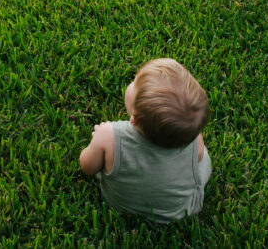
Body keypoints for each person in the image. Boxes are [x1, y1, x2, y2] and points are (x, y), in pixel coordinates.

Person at [79, 58, 212, 223]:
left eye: (134, 82)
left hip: (120, 205)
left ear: (134, 117)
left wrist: (98, 137)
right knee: (202, 157)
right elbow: (198, 156)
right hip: (178, 211)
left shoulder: (110, 135)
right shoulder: (193, 140)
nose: (132, 82)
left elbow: (87, 166)